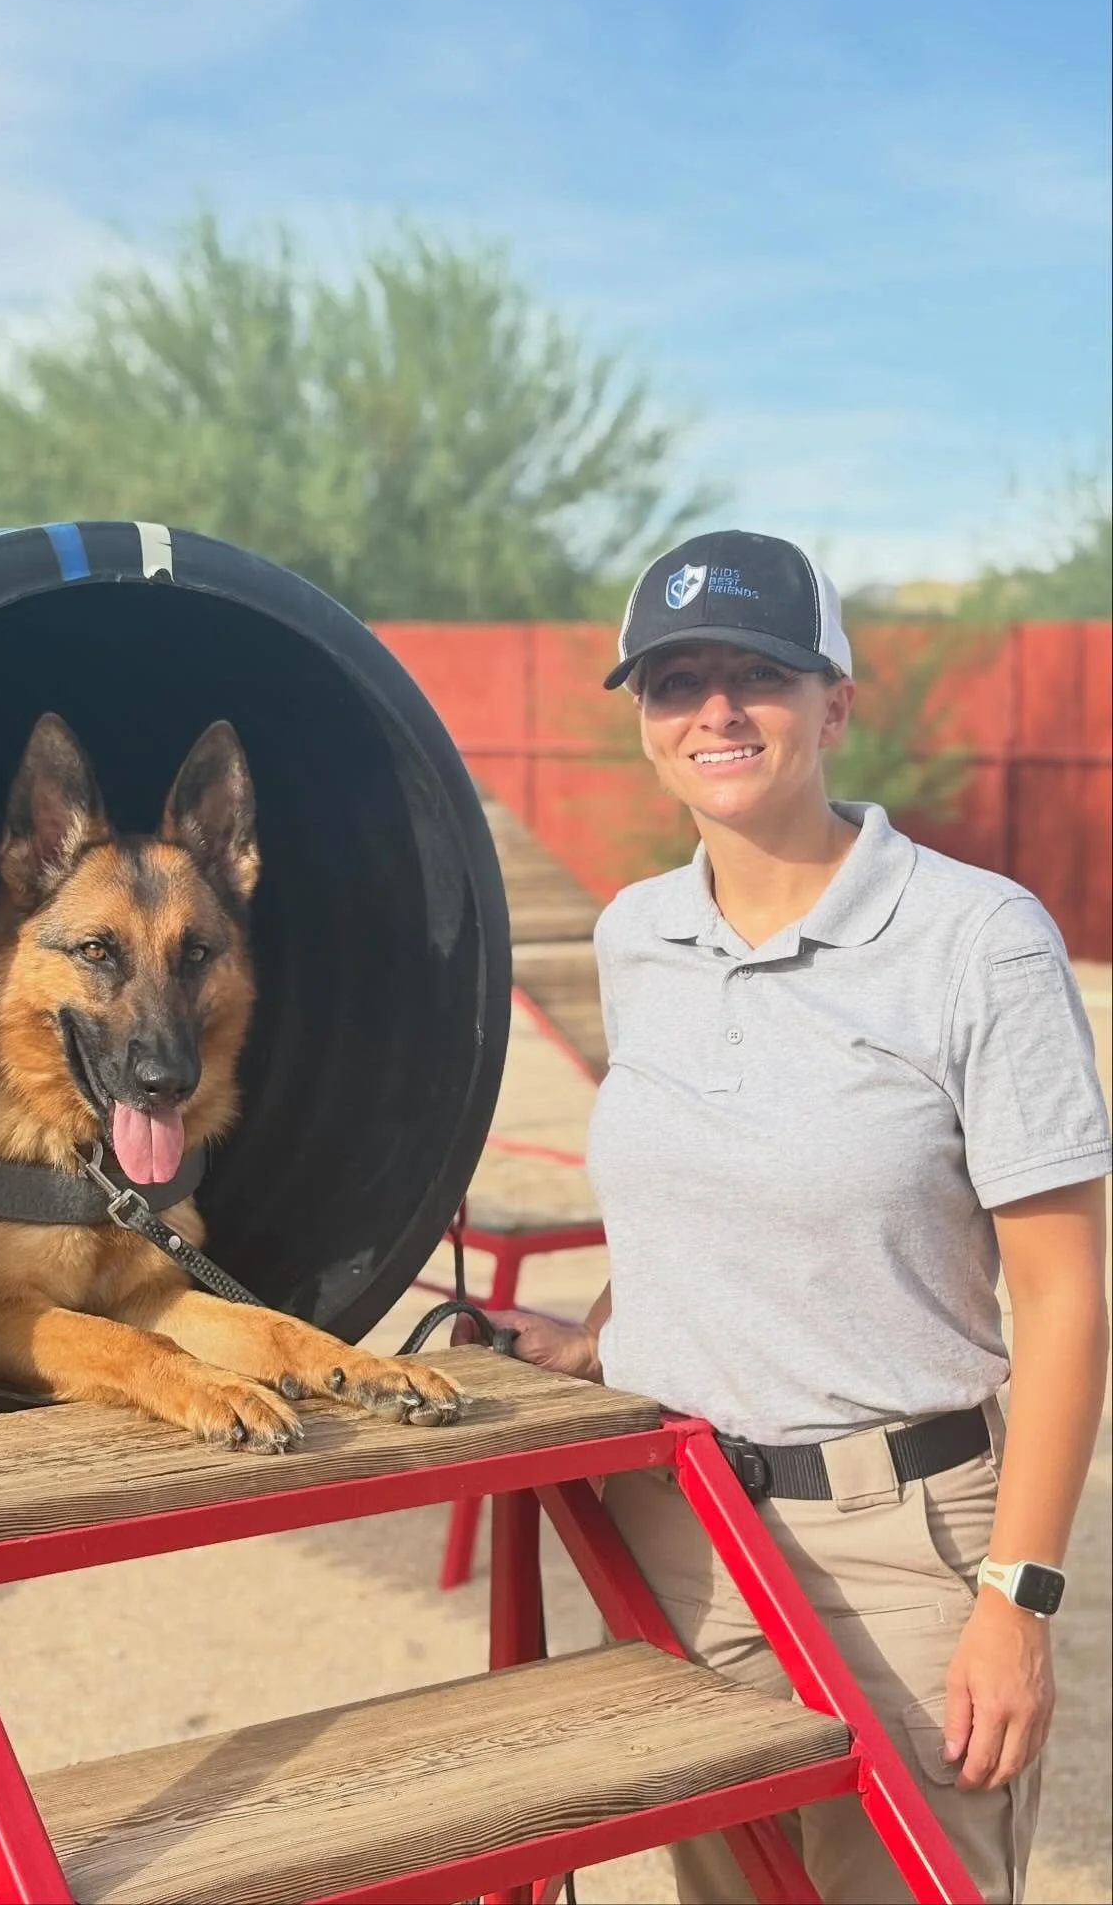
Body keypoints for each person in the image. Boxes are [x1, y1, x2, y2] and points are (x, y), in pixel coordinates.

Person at [459, 530, 1111, 1904]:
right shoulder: (636, 936)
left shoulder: (978, 940)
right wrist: (602, 1337)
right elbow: (701, 1187)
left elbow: (1062, 1297)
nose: (715, 711)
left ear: (836, 702)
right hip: (682, 1530)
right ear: (639, 721)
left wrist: (1019, 1599)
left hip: (902, 1551)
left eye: (756, 672)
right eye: (673, 681)